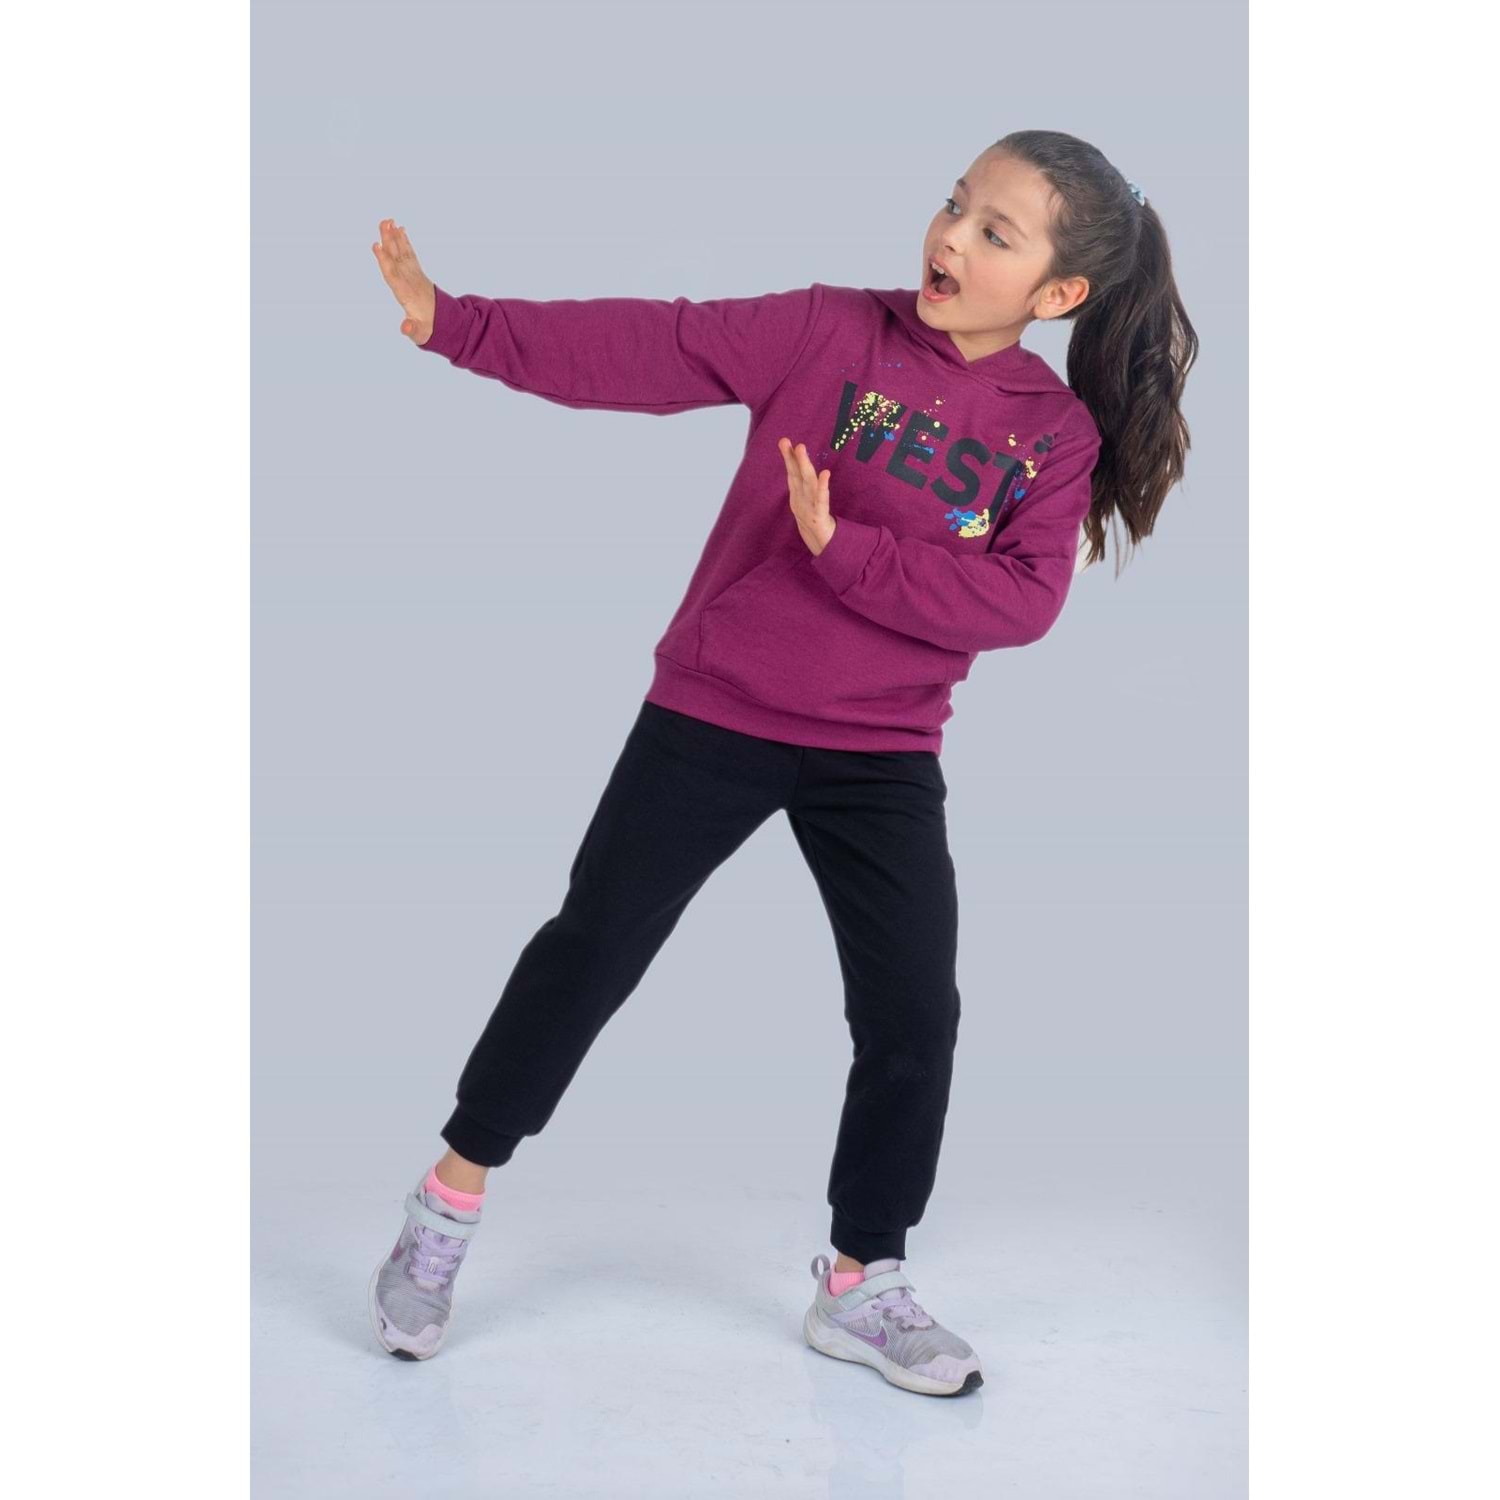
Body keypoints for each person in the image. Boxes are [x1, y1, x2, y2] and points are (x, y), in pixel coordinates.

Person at [364, 130, 1198, 1396]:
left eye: (994, 232)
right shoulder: (826, 330)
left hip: (882, 751)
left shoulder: (1053, 436)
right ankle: (445, 1205)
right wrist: (456, 324)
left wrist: (841, 549)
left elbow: (1021, 603)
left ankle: (863, 1283)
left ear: (1060, 291)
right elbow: (652, 346)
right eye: (954, 204)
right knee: (592, 949)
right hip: (719, 709)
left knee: (915, 1013)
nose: (950, 237)